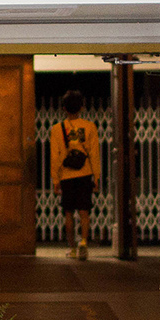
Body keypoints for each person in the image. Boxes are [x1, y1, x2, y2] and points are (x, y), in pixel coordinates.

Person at [49, 91, 102, 261]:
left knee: (68, 213)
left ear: (64, 108)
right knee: (84, 212)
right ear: (81, 107)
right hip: (85, 174)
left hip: (66, 176)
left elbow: (55, 156)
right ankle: (84, 243)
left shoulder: (57, 129)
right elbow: (94, 153)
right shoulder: (89, 127)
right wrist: (97, 177)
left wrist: (56, 180)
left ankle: (72, 249)